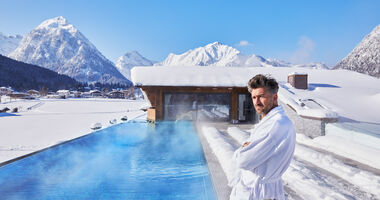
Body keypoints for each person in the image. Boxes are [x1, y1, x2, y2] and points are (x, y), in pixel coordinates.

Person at [229, 74, 296, 200]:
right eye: (254, 97)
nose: (256, 102)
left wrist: (241, 150)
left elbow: (243, 160)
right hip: (263, 189)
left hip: (258, 192)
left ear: (275, 97)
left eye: (261, 96)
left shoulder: (275, 124)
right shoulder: (274, 121)